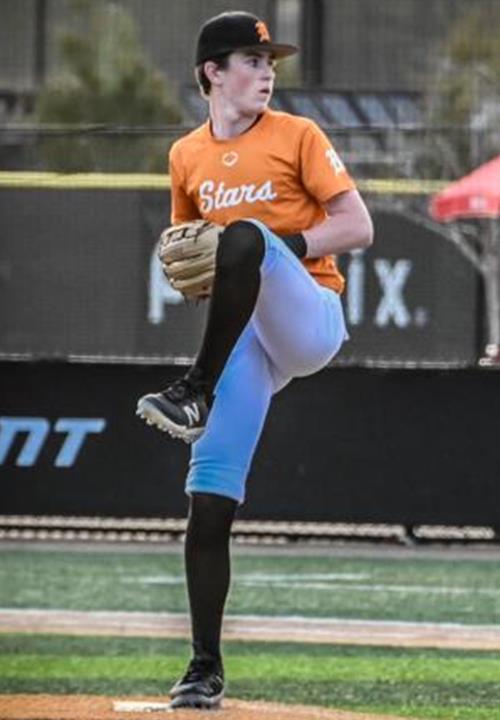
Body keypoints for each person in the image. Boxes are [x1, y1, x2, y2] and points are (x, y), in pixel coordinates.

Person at [137, 10, 373, 710]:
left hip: (309, 315)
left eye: (269, 62)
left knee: (245, 236)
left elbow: (357, 225)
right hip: (244, 336)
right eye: (251, 60)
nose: (267, 72)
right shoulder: (186, 155)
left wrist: (278, 249)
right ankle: (203, 667)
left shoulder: (298, 134)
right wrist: (197, 268)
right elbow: (190, 255)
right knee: (208, 502)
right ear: (212, 72)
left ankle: (194, 387)